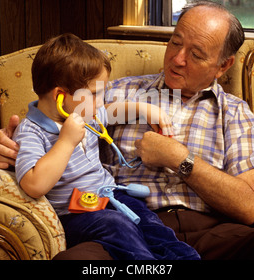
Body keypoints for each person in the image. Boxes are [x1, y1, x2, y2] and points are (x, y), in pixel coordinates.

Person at [0, 0, 254, 260]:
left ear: (224, 66)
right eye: (175, 43)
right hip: (124, 224)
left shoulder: (235, 113)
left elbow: (249, 207)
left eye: (197, 54)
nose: (177, 59)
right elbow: (56, 108)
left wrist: (181, 160)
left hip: (210, 235)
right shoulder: (121, 90)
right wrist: (2, 143)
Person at [11, 33, 200, 260]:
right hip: (75, 214)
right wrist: (65, 142)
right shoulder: (30, 131)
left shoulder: (84, 112)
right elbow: (34, 185)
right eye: (94, 94)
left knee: (152, 225)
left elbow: (112, 110)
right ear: (60, 96)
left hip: (111, 197)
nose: (101, 101)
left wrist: (144, 109)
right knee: (118, 227)